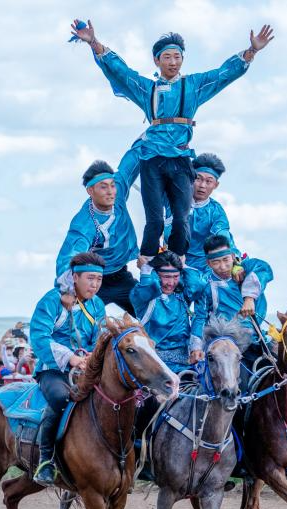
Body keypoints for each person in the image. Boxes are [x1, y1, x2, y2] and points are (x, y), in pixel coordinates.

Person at [71, 20, 274, 266]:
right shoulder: (148, 89)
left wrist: (250, 52)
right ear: (157, 61)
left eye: (177, 56)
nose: (173, 62)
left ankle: (178, 262)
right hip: (152, 159)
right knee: (155, 220)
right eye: (166, 57)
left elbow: (223, 74)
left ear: (182, 59)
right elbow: (121, 71)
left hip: (179, 158)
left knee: (181, 218)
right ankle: (146, 261)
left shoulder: (194, 86)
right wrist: (94, 42)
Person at [30, 251, 107, 486]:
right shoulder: (52, 300)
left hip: (87, 370)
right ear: (75, 277)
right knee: (63, 398)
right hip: (53, 369)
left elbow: (100, 337)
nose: (94, 285)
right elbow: (39, 336)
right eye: (90, 278)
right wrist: (71, 358)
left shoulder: (97, 305)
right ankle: (46, 459)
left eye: (99, 280)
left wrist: (94, 356)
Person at [55, 147, 142, 315]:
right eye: (103, 187)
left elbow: (131, 163)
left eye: (112, 185)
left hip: (122, 277)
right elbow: (68, 255)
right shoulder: (83, 224)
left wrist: (152, 133)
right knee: (77, 322)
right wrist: (66, 290)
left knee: (148, 313)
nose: (110, 192)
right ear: (90, 191)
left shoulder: (119, 192)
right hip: (94, 281)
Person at [190, 234, 273, 373]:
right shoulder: (205, 284)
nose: (222, 267)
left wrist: (249, 298)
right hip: (227, 345)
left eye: (226, 260)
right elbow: (200, 318)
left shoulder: (246, 268)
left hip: (256, 339)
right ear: (208, 263)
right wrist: (196, 347)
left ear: (233, 257)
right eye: (216, 262)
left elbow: (265, 269)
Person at [128, 250, 205, 373]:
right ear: (156, 275)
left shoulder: (182, 296)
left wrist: (182, 265)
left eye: (175, 277)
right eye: (166, 277)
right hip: (153, 366)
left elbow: (199, 284)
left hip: (184, 365)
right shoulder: (142, 297)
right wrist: (146, 268)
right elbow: (148, 286)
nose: (171, 283)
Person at [163, 153, 240, 271]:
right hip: (172, 264)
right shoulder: (172, 199)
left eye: (209, 181)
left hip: (203, 269)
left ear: (216, 185)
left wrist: (236, 261)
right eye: (198, 179)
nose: (202, 186)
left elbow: (223, 237)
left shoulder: (216, 211)